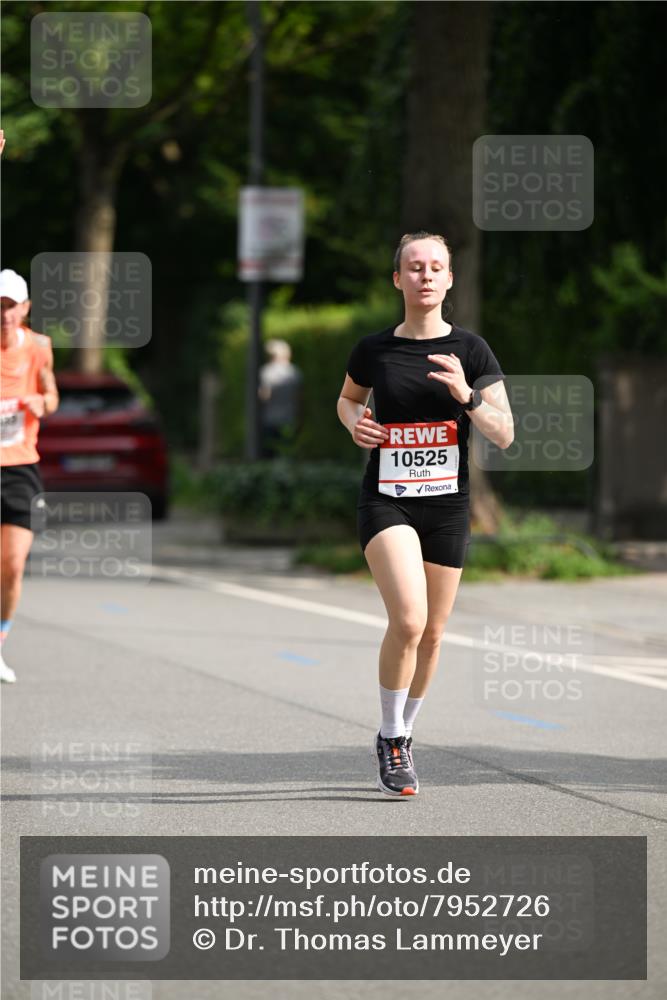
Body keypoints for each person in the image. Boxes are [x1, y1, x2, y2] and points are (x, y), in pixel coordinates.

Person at [337, 231, 513, 796]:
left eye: (437, 267)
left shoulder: (472, 351)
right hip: (387, 498)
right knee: (410, 621)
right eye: (415, 267)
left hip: (447, 504)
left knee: (433, 633)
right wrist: (355, 424)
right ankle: (391, 738)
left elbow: (504, 433)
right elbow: (348, 398)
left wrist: (468, 395)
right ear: (398, 279)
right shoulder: (374, 349)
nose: (426, 275)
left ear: (450, 278)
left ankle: (404, 733)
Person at [1, 269, 59, 683]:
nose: (4, 315)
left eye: (10, 306)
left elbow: (52, 393)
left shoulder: (39, 347)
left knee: (13, 565)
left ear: (25, 308)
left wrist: (43, 402)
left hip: (20, 467)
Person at [258, 339, 303, 458]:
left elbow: (264, 396)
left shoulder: (266, 371)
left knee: (269, 454)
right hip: (290, 417)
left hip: (270, 419)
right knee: (288, 453)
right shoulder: (294, 372)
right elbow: (299, 398)